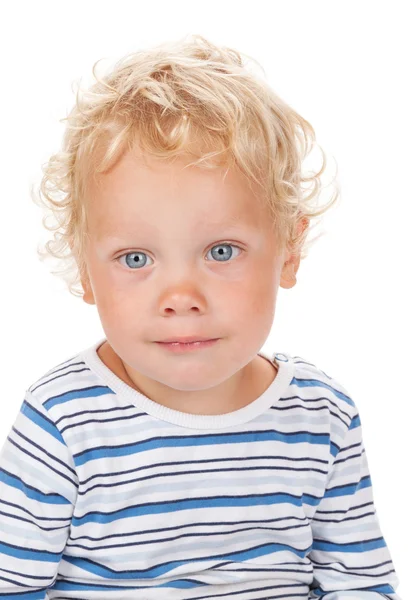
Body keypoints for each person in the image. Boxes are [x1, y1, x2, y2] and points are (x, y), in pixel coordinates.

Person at [0, 34, 402, 599]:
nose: (181, 296)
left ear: (289, 248)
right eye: (135, 258)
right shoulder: (64, 423)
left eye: (221, 251)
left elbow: (359, 583)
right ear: (86, 270)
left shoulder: (321, 417)